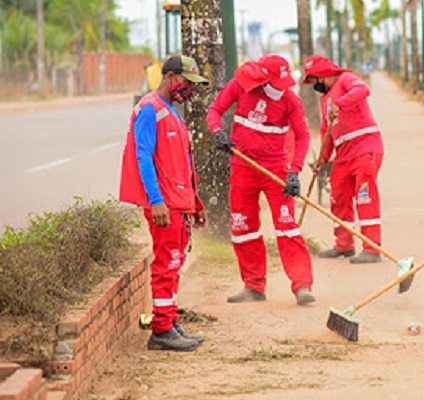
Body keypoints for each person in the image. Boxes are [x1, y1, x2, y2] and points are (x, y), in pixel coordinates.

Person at [207, 55, 316, 306]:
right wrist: (217, 132)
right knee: (243, 227)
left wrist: (294, 172)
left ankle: (302, 286)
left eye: (284, 83)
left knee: (287, 227)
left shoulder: (291, 100)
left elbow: (302, 137)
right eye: (276, 83)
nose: (281, 89)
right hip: (242, 167)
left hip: (275, 170)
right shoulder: (240, 85)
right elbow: (215, 110)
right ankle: (253, 286)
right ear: (263, 78)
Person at [119, 55, 208, 351]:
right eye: (187, 82)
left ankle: (168, 320)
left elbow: (182, 162)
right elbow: (143, 156)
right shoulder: (149, 109)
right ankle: (161, 330)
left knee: (175, 262)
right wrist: (156, 201)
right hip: (164, 205)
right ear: (170, 77)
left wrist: (195, 203)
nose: (190, 89)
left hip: (179, 202)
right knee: (166, 263)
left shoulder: (171, 111)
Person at [302, 55, 384, 264]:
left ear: (322, 75)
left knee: (365, 197)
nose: (314, 86)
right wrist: (323, 157)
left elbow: (363, 90)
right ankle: (344, 244)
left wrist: (340, 103)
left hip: (365, 149)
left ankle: (371, 248)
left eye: (313, 80)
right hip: (344, 154)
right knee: (338, 197)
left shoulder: (346, 79)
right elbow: (326, 130)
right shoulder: (324, 100)